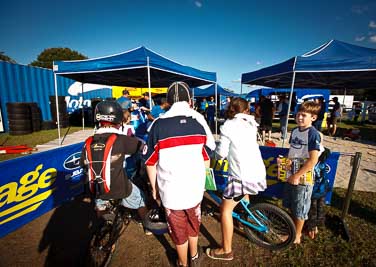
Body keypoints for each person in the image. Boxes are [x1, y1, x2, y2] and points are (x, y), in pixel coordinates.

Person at [143, 81, 216, 267]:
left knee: (177, 231)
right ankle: (193, 256)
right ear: (190, 100)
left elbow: (150, 163)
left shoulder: (157, 126)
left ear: (167, 101)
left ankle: (182, 263)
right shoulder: (198, 121)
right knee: (193, 224)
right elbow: (207, 155)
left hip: (170, 192)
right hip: (195, 189)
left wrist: (154, 189)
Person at [206, 97, 266, 261]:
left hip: (241, 174)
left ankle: (226, 250)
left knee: (225, 210)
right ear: (246, 110)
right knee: (244, 196)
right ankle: (244, 219)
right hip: (256, 170)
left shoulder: (228, 125)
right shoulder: (250, 123)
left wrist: (213, 156)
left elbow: (222, 153)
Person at [80, 100, 150, 234]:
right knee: (140, 198)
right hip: (119, 187)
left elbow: (83, 163)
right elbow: (142, 147)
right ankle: (147, 226)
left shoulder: (88, 141)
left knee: (100, 203)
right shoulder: (121, 139)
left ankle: (104, 225)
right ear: (118, 118)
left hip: (97, 187)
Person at [278, 101, 322, 244]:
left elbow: (313, 160)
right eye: (298, 114)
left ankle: (296, 236)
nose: (300, 117)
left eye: (304, 115)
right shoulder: (295, 130)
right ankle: (292, 230)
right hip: (291, 173)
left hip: (303, 177)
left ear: (313, 118)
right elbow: (293, 152)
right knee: (291, 204)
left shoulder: (313, 133)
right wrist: (285, 161)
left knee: (300, 208)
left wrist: (297, 175)